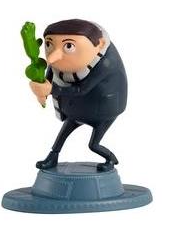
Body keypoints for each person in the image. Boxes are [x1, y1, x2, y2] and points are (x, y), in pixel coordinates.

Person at [29, 19, 128, 171]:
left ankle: (110, 159)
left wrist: (52, 89)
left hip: (102, 111)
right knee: (62, 134)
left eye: (69, 46)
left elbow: (81, 90)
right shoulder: (61, 62)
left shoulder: (106, 64)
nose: (52, 57)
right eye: (49, 45)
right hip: (77, 109)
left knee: (93, 145)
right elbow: (53, 70)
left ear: (99, 44)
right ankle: (53, 156)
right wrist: (43, 84)